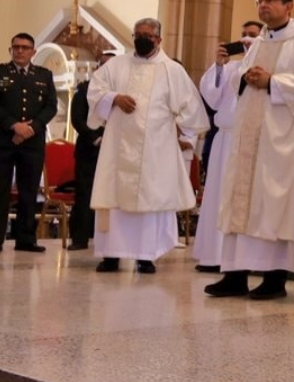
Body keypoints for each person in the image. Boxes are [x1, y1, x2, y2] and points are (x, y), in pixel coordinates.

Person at [207, 0, 294, 300]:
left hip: (279, 141)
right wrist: (246, 78)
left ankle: (274, 279)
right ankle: (234, 274)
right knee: (240, 201)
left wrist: (273, 81)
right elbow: (241, 81)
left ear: (289, 6)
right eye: (260, 0)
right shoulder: (259, 42)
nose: (263, 6)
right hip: (248, 135)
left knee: (273, 205)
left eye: (270, 0)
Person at [87, 18, 209, 274]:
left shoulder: (171, 70)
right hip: (117, 147)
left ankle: (146, 256)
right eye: (138, 34)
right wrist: (113, 98)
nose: (142, 39)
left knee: (150, 196)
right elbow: (95, 90)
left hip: (155, 148)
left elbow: (192, 107)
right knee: (114, 199)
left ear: (158, 40)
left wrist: (184, 132)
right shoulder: (117, 65)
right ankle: (111, 255)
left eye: (148, 35)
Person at [192, 20, 263, 272]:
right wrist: (219, 67)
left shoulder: (266, 65)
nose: (245, 40)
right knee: (218, 195)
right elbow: (211, 97)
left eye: (252, 36)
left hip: (252, 140)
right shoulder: (230, 67)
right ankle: (214, 255)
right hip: (225, 139)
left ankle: (242, 260)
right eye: (243, 35)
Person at [0, 33, 57, 253]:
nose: (20, 51)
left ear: (33, 52)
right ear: (10, 50)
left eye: (25, 47)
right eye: (16, 47)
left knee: (28, 191)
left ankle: (25, 239)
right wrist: (14, 126)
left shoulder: (44, 75)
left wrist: (31, 129)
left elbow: (51, 107)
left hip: (32, 144)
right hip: (2, 141)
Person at [67, 50, 118, 250]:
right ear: (98, 67)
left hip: (114, 151)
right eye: (104, 64)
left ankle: (109, 239)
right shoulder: (85, 89)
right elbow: (77, 119)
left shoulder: (122, 93)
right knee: (84, 194)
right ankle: (80, 238)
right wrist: (97, 137)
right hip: (90, 150)